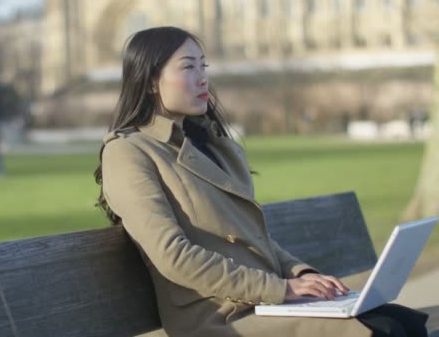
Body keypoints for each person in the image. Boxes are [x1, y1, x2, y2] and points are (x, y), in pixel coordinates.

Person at [94, 26, 428, 337]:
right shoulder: (128, 152)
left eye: (203, 66)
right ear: (151, 81)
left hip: (264, 303)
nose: (202, 79)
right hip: (219, 316)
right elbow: (173, 256)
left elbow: (256, 240)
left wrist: (301, 275)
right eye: (188, 67)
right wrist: (281, 289)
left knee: (398, 319)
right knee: (380, 330)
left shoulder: (212, 147)